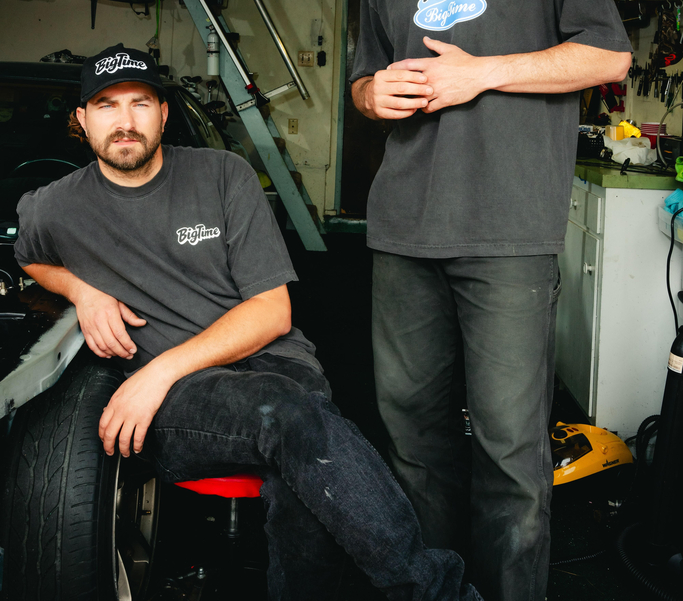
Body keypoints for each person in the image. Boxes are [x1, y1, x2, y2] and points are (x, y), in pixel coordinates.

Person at [14, 42, 481, 601]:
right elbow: (28, 257)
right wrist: (81, 290)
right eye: (107, 106)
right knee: (289, 418)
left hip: (256, 362)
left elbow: (271, 310)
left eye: (140, 103)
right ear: (82, 120)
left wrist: (156, 372)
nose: (125, 122)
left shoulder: (223, 175)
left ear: (163, 114)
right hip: (182, 401)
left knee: (299, 460)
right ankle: (439, 592)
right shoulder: (55, 206)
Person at [349, 0, 632, 601]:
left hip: (507, 231)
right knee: (413, 442)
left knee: (510, 450)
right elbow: (364, 83)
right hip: (404, 230)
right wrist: (372, 95)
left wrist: (486, 75)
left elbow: (608, 56)